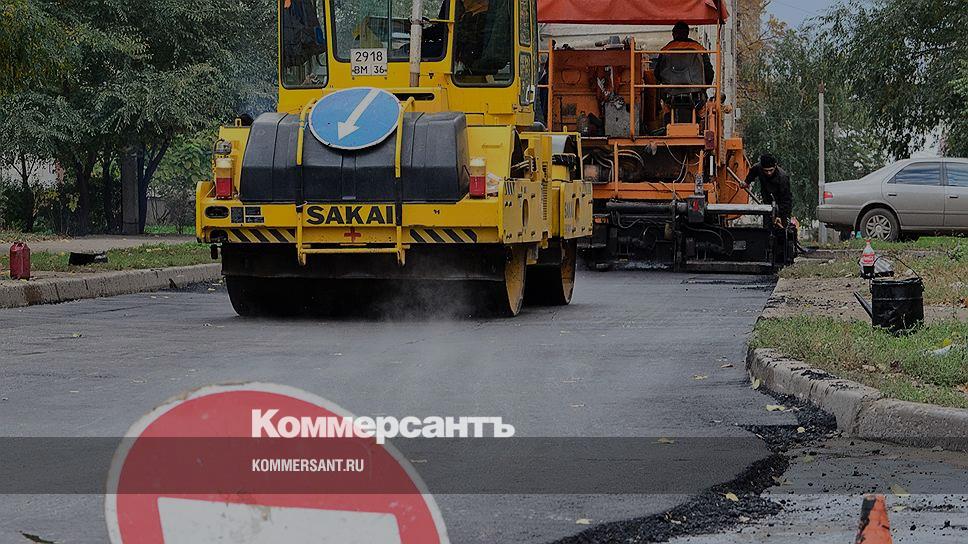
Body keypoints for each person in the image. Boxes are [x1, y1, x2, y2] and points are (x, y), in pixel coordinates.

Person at [653, 22, 714, 88]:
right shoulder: (699, 49)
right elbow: (709, 73)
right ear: (687, 33)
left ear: (674, 34)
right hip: (696, 91)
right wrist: (705, 86)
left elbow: (657, 73)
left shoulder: (665, 50)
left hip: (670, 91)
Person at [745, 153, 793, 227]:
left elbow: (786, 200)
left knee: (782, 229)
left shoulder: (783, 178)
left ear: (775, 166)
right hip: (767, 203)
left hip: (781, 205)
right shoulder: (758, 167)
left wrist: (779, 216)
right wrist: (746, 182)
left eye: (771, 170)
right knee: (767, 228)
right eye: (766, 171)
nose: (769, 173)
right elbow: (753, 172)